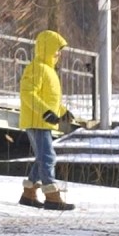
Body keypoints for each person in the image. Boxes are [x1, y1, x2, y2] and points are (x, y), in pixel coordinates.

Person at [19, 30, 76, 210]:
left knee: (41, 158)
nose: (58, 53)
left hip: (42, 120)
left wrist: (62, 111)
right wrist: (45, 112)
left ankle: (28, 194)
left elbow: (50, 99)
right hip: (36, 121)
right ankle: (51, 196)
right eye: (56, 49)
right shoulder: (36, 68)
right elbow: (28, 93)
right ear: (47, 48)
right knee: (48, 157)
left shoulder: (48, 70)